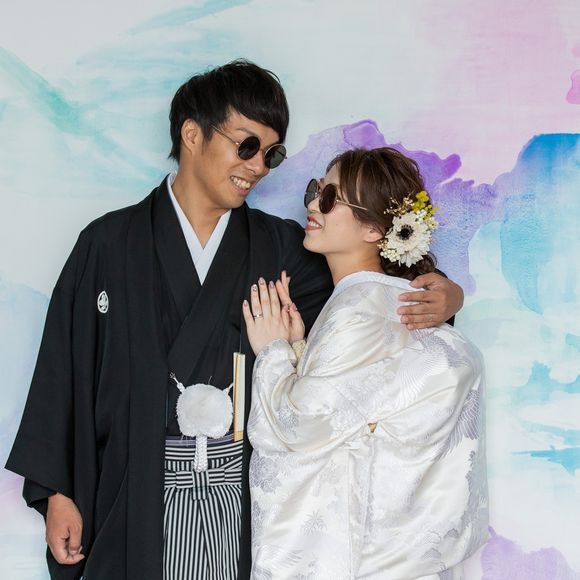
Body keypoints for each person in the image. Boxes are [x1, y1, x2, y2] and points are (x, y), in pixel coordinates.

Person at [6, 62, 464, 580]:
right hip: (131, 492)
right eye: (247, 146)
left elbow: (370, 305)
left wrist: (443, 295)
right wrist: (58, 493)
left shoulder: (283, 247)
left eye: (272, 154)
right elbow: (64, 367)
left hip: (244, 501)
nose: (259, 167)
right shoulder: (108, 243)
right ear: (192, 134)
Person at [244, 147, 488, 579]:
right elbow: (356, 414)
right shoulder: (389, 302)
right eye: (315, 190)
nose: (312, 205)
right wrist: (300, 348)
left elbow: (298, 425)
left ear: (376, 229)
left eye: (329, 198)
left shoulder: (358, 311)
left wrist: (273, 352)